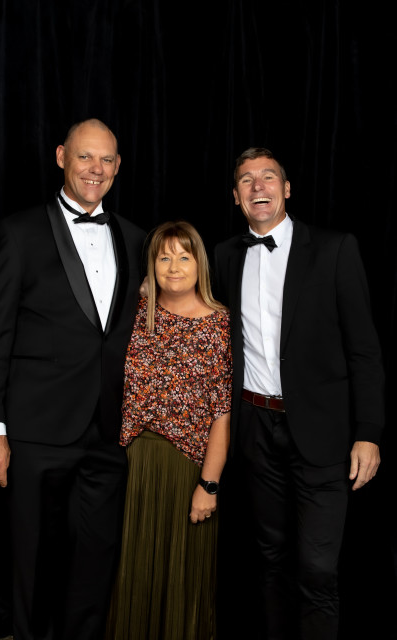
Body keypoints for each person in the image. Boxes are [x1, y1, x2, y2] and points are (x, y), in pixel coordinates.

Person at [0, 118, 146, 640]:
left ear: (118, 167)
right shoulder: (20, 232)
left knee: (95, 560)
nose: (96, 169)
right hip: (35, 430)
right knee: (33, 561)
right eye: (85, 156)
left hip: (108, 432)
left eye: (107, 160)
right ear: (61, 157)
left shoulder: (136, 238)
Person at [214, 147, 385, 640]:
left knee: (316, 568)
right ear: (236, 196)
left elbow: (364, 350)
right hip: (254, 428)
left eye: (268, 177)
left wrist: (369, 432)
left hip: (323, 432)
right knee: (270, 560)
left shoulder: (334, 249)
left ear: (286, 189)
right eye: (247, 180)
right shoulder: (224, 256)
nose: (258, 186)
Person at [105, 220, 232, 640]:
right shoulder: (136, 312)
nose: (174, 267)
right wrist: (141, 290)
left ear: (200, 264)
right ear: (151, 266)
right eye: (164, 258)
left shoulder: (220, 325)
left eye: (184, 257)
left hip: (185, 470)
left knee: (180, 581)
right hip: (130, 466)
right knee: (129, 575)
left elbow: (222, 414)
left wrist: (209, 485)